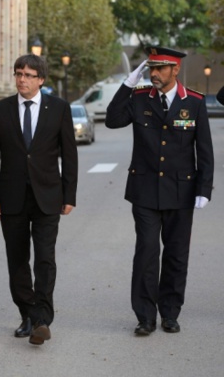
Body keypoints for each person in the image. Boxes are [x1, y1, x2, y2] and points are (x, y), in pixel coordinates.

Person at [106, 46, 214, 336]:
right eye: (151, 67)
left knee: (177, 255)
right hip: (144, 190)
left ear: (175, 70)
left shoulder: (193, 102)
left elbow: (204, 150)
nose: (154, 73)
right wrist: (128, 84)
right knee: (147, 252)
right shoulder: (140, 98)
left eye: (160, 68)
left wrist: (204, 188)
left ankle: (169, 312)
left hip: (182, 191)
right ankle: (144, 316)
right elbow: (112, 119)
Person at [0, 54, 78, 346]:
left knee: (45, 259)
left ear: (41, 80)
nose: (21, 79)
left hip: (48, 196)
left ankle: (42, 319)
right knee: (18, 260)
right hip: (11, 199)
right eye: (18, 73)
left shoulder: (59, 109)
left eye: (28, 74)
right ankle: (28, 314)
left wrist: (69, 194)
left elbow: (69, 154)